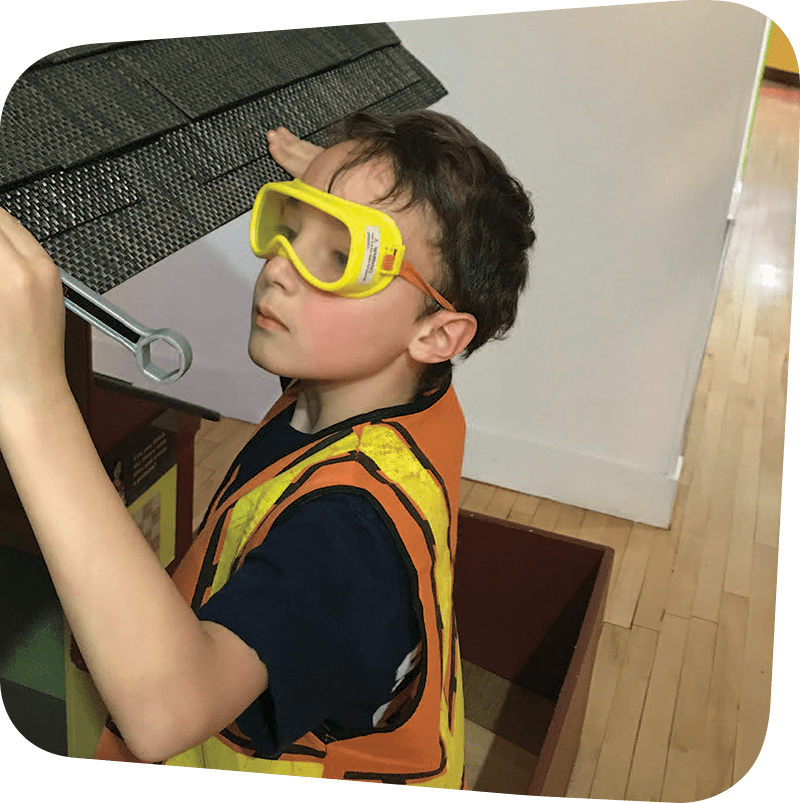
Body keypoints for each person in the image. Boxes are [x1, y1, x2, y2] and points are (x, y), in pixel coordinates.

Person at [0, 110, 535, 788]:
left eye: (340, 257)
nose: (280, 267)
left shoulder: (349, 538)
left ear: (437, 333)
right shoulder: (386, 393)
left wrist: (31, 393)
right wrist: (333, 189)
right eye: (291, 223)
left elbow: (165, 712)